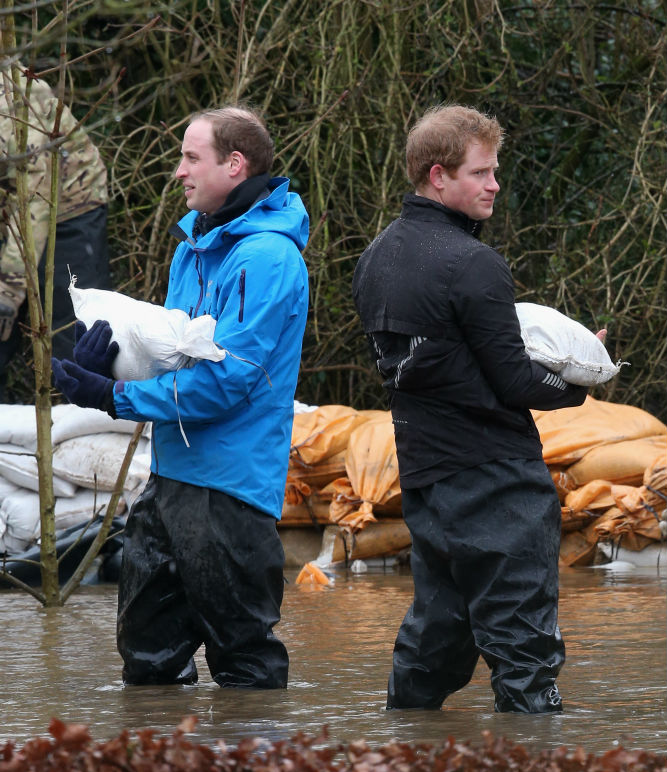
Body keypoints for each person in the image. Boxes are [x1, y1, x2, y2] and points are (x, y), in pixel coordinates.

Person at [352, 104, 603, 714]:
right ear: (438, 177)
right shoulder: (474, 264)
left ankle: (403, 759)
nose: (495, 185)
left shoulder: (376, 258)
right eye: (481, 173)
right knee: (524, 647)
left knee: (435, 635)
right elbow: (514, 379)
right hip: (496, 479)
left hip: (426, 478)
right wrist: (581, 381)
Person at [51, 105, 309, 688]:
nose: (178, 171)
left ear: (235, 165)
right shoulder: (190, 249)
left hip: (232, 492)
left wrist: (116, 396)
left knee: (245, 667)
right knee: (145, 656)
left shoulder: (266, 258)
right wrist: (107, 363)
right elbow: (175, 353)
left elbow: (228, 381)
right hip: (171, 481)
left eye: (192, 157)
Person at [0, 63, 111, 399]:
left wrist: (8, 292)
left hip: (66, 208)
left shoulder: (12, 104)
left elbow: (32, 201)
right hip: (9, 208)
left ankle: (77, 431)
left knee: (74, 338)